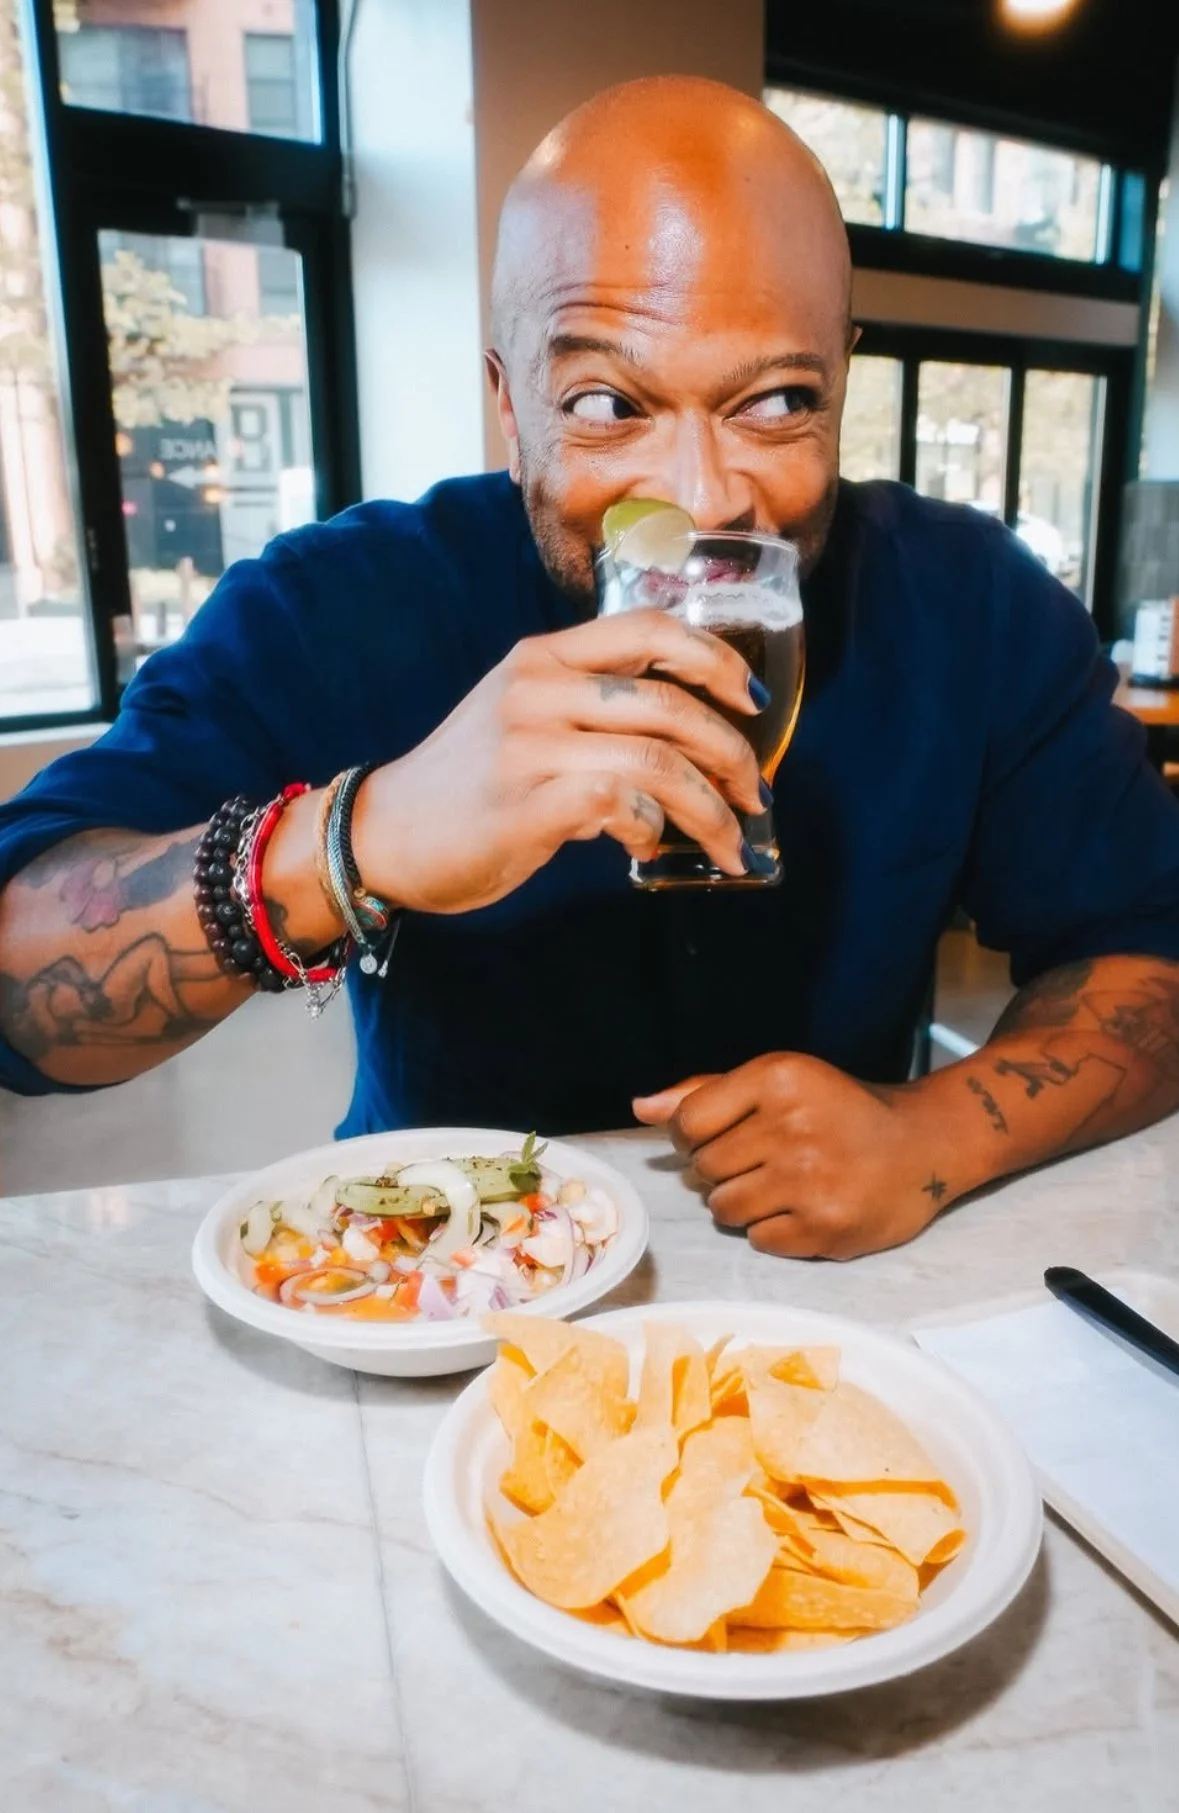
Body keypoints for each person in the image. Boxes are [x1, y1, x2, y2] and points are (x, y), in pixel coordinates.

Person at [1, 77, 1177, 1261]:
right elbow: (16, 988)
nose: (707, 497)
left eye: (777, 402)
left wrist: (937, 1133)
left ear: (843, 380)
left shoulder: (973, 606)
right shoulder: (340, 603)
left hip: (838, 1280)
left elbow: (1154, 945)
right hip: (436, 1284)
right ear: (511, 405)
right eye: (610, 403)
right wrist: (357, 839)